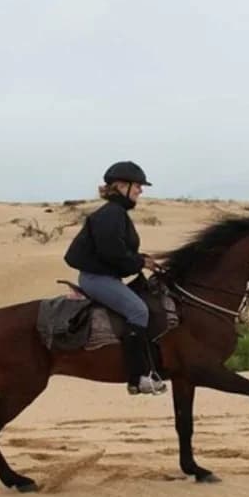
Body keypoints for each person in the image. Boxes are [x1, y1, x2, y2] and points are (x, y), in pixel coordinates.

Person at [63, 160, 167, 395]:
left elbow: (117, 251)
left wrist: (142, 259)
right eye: (138, 185)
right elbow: (112, 252)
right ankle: (137, 377)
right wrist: (139, 261)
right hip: (97, 279)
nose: (141, 190)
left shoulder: (115, 213)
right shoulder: (111, 214)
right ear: (121, 186)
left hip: (105, 277)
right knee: (138, 311)